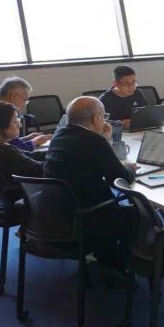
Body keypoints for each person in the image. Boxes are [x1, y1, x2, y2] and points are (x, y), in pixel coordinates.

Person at [43, 96, 135, 264]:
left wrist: (103, 140)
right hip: (88, 216)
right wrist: (131, 169)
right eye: (104, 116)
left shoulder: (59, 136)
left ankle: (107, 256)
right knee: (139, 213)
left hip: (58, 215)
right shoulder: (94, 141)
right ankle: (123, 262)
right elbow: (119, 179)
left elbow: (86, 159)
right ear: (96, 118)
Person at [0, 101, 44, 180]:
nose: (20, 125)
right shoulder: (4, 152)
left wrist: (51, 152)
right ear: (0, 127)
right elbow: (42, 170)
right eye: (15, 121)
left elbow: (28, 155)